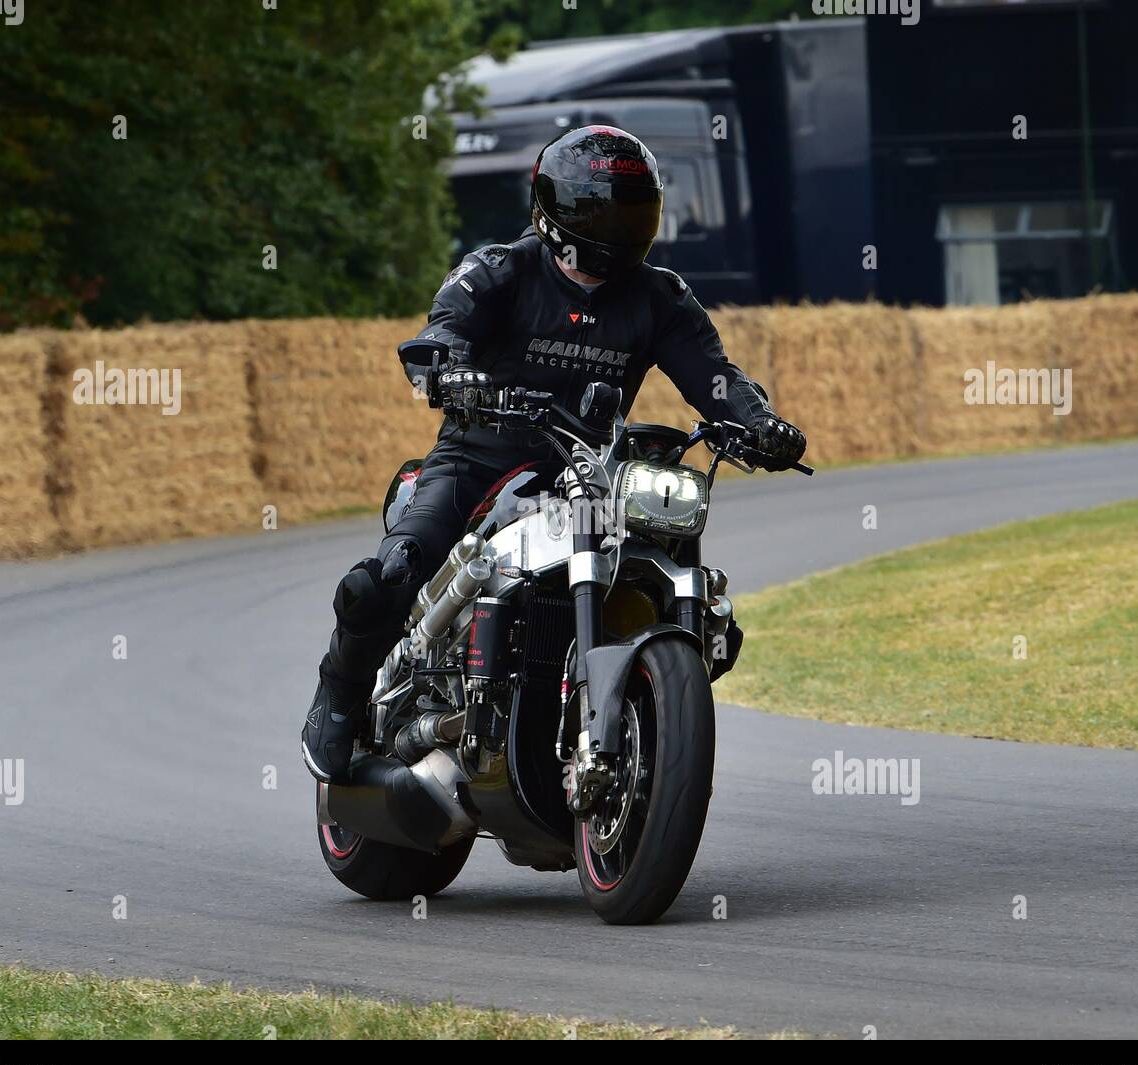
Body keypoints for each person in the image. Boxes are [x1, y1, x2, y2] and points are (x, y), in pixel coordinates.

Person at [302, 125, 805, 783]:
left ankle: (643, 705)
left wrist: (759, 422)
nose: (621, 225)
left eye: (635, 208)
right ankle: (338, 699)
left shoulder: (661, 298)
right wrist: (449, 373)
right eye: (604, 209)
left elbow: (715, 379)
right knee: (387, 577)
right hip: (480, 460)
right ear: (557, 211)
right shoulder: (499, 271)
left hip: (591, 472)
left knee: (705, 605)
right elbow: (439, 335)